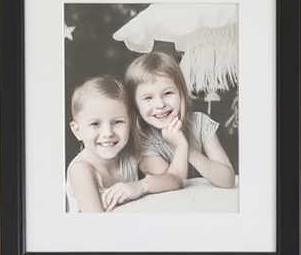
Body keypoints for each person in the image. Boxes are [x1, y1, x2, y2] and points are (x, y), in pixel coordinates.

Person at [126, 52, 235, 191]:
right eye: (148, 98)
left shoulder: (200, 123)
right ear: (135, 105)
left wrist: (188, 149)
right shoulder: (142, 141)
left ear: (182, 94)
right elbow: (174, 184)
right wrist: (180, 146)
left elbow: (227, 180)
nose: (160, 105)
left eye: (168, 93)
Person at [65, 76, 171, 214]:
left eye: (118, 122)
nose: (108, 133)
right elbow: (97, 227)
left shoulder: (130, 155)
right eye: (95, 124)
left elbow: (174, 179)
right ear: (77, 130)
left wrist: (141, 186)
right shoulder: (81, 170)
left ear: (130, 123)